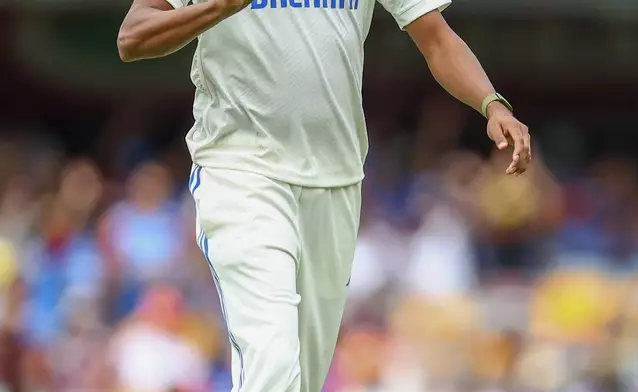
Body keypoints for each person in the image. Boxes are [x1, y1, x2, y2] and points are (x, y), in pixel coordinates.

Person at [117, 0, 532, 389]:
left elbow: (436, 37)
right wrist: (220, 7)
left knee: (306, 376)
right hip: (241, 172)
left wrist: (493, 105)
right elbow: (133, 36)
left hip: (336, 181)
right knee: (272, 359)